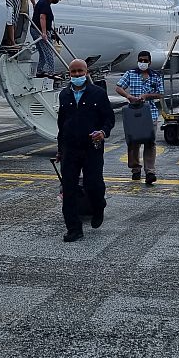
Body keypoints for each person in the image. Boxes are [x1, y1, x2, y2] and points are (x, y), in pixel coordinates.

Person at [56, 59, 114, 242]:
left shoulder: (98, 93)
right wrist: (60, 149)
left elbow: (109, 119)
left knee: (93, 184)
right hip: (70, 148)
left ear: (86, 72)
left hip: (91, 147)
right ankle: (73, 228)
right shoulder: (64, 95)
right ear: (69, 74)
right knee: (69, 189)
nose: (77, 75)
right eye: (73, 72)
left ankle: (98, 206)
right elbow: (61, 124)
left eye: (80, 71)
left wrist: (103, 132)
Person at [116, 50, 164, 185]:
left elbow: (160, 94)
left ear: (150, 62)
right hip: (134, 112)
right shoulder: (131, 74)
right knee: (133, 141)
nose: (143, 63)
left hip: (150, 113)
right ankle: (135, 168)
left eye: (145, 61)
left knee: (150, 142)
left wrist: (147, 96)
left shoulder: (155, 76)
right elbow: (118, 87)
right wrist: (128, 96)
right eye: (140, 60)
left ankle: (150, 171)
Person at [32, 0, 63, 78]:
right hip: (39, 31)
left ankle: (40, 70)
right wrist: (44, 33)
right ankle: (51, 72)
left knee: (43, 52)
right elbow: (42, 17)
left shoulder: (43, 2)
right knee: (48, 51)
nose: (57, 1)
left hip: (35, 30)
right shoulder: (45, 4)